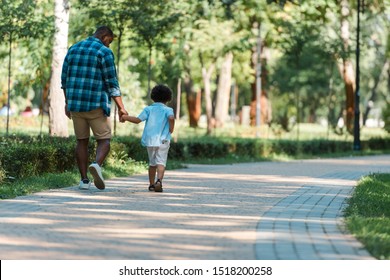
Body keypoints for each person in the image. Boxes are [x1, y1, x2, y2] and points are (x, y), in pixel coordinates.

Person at [61, 26, 128, 190]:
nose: (109, 45)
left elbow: (64, 79)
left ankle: (84, 181)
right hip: (96, 105)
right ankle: (96, 164)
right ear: (105, 37)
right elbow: (112, 83)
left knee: (81, 141)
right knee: (104, 140)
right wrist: (121, 108)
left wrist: (67, 102)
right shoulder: (104, 52)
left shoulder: (74, 48)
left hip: (76, 104)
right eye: (110, 41)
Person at [121, 84, 175, 192]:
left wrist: (125, 117)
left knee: (152, 163)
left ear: (153, 96)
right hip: (164, 140)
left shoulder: (148, 109)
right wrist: (171, 128)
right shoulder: (168, 110)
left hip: (151, 140)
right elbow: (171, 118)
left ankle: (151, 184)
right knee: (161, 162)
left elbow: (137, 120)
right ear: (168, 98)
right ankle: (159, 181)